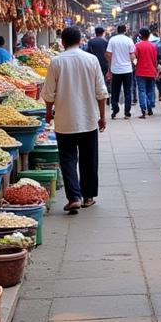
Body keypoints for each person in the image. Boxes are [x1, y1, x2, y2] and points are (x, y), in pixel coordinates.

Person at [43, 26, 108, 212]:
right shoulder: (92, 60)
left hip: (65, 120)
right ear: (80, 41)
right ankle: (88, 197)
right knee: (89, 159)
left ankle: (74, 197)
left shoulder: (56, 62)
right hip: (88, 119)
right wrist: (102, 117)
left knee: (68, 159)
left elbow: (48, 94)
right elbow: (101, 92)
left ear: (62, 42)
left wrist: (49, 113)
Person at [106, 23, 136, 119]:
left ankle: (115, 110)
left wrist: (111, 64)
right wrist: (134, 63)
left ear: (117, 30)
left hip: (116, 70)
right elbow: (132, 56)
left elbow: (108, 54)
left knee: (115, 91)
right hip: (127, 70)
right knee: (128, 91)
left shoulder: (112, 40)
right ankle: (127, 113)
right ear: (125, 30)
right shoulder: (129, 40)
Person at [133, 28, 159, 118]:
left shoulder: (137, 46)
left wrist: (135, 64)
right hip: (151, 71)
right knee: (150, 90)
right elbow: (155, 60)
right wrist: (156, 70)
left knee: (141, 90)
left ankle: (143, 109)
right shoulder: (154, 46)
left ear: (140, 35)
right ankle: (150, 108)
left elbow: (134, 58)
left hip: (140, 71)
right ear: (149, 35)